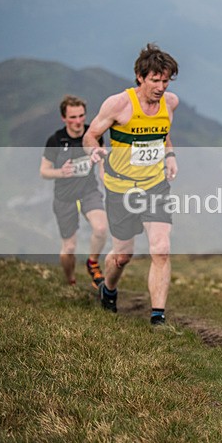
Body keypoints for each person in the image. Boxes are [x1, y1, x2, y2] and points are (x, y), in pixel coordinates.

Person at [84, 43, 179, 327]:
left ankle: (158, 318)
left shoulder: (170, 103)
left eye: (165, 81)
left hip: (155, 185)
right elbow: (91, 135)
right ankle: (108, 289)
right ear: (140, 76)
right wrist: (94, 151)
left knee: (161, 248)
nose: (161, 87)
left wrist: (170, 155)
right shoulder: (118, 104)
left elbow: (163, 135)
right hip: (121, 188)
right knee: (123, 255)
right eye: (155, 80)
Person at [40, 95, 108, 288]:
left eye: (81, 116)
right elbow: (43, 171)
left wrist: (106, 178)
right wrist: (61, 172)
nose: (78, 121)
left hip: (89, 191)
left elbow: (102, 161)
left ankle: (92, 263)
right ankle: (70, 280)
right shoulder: (56, 140)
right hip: (64, 197)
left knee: (101, 229)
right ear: (64, 118)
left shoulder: (93, 135)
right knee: (69, 248)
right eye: (72, 117)